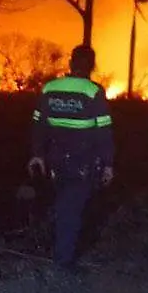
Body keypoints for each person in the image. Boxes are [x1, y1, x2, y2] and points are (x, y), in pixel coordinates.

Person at [27, 45, 114, 275]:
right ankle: (63, 263)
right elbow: (104, 130)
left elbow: (38, 124)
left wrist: (37, 154)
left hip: (56, 162)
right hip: (83, 162)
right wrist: (108, 164)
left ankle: (60, 249)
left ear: (70, 63)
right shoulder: (93, 91)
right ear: (92, 66)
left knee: (66, 205)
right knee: (72, 209)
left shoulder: (50, 88)